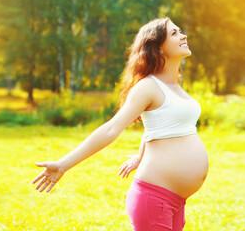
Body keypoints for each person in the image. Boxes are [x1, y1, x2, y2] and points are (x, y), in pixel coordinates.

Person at [31, 17, 209, 231]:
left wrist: (140, 157)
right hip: (155, 198)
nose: (183, 35)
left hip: (175, 199)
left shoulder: (174, 86)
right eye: (174, 33)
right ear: (158, 48)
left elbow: (155, 127)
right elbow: (111, 128)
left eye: (180, 31)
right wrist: (64, 164)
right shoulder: (148, 87)